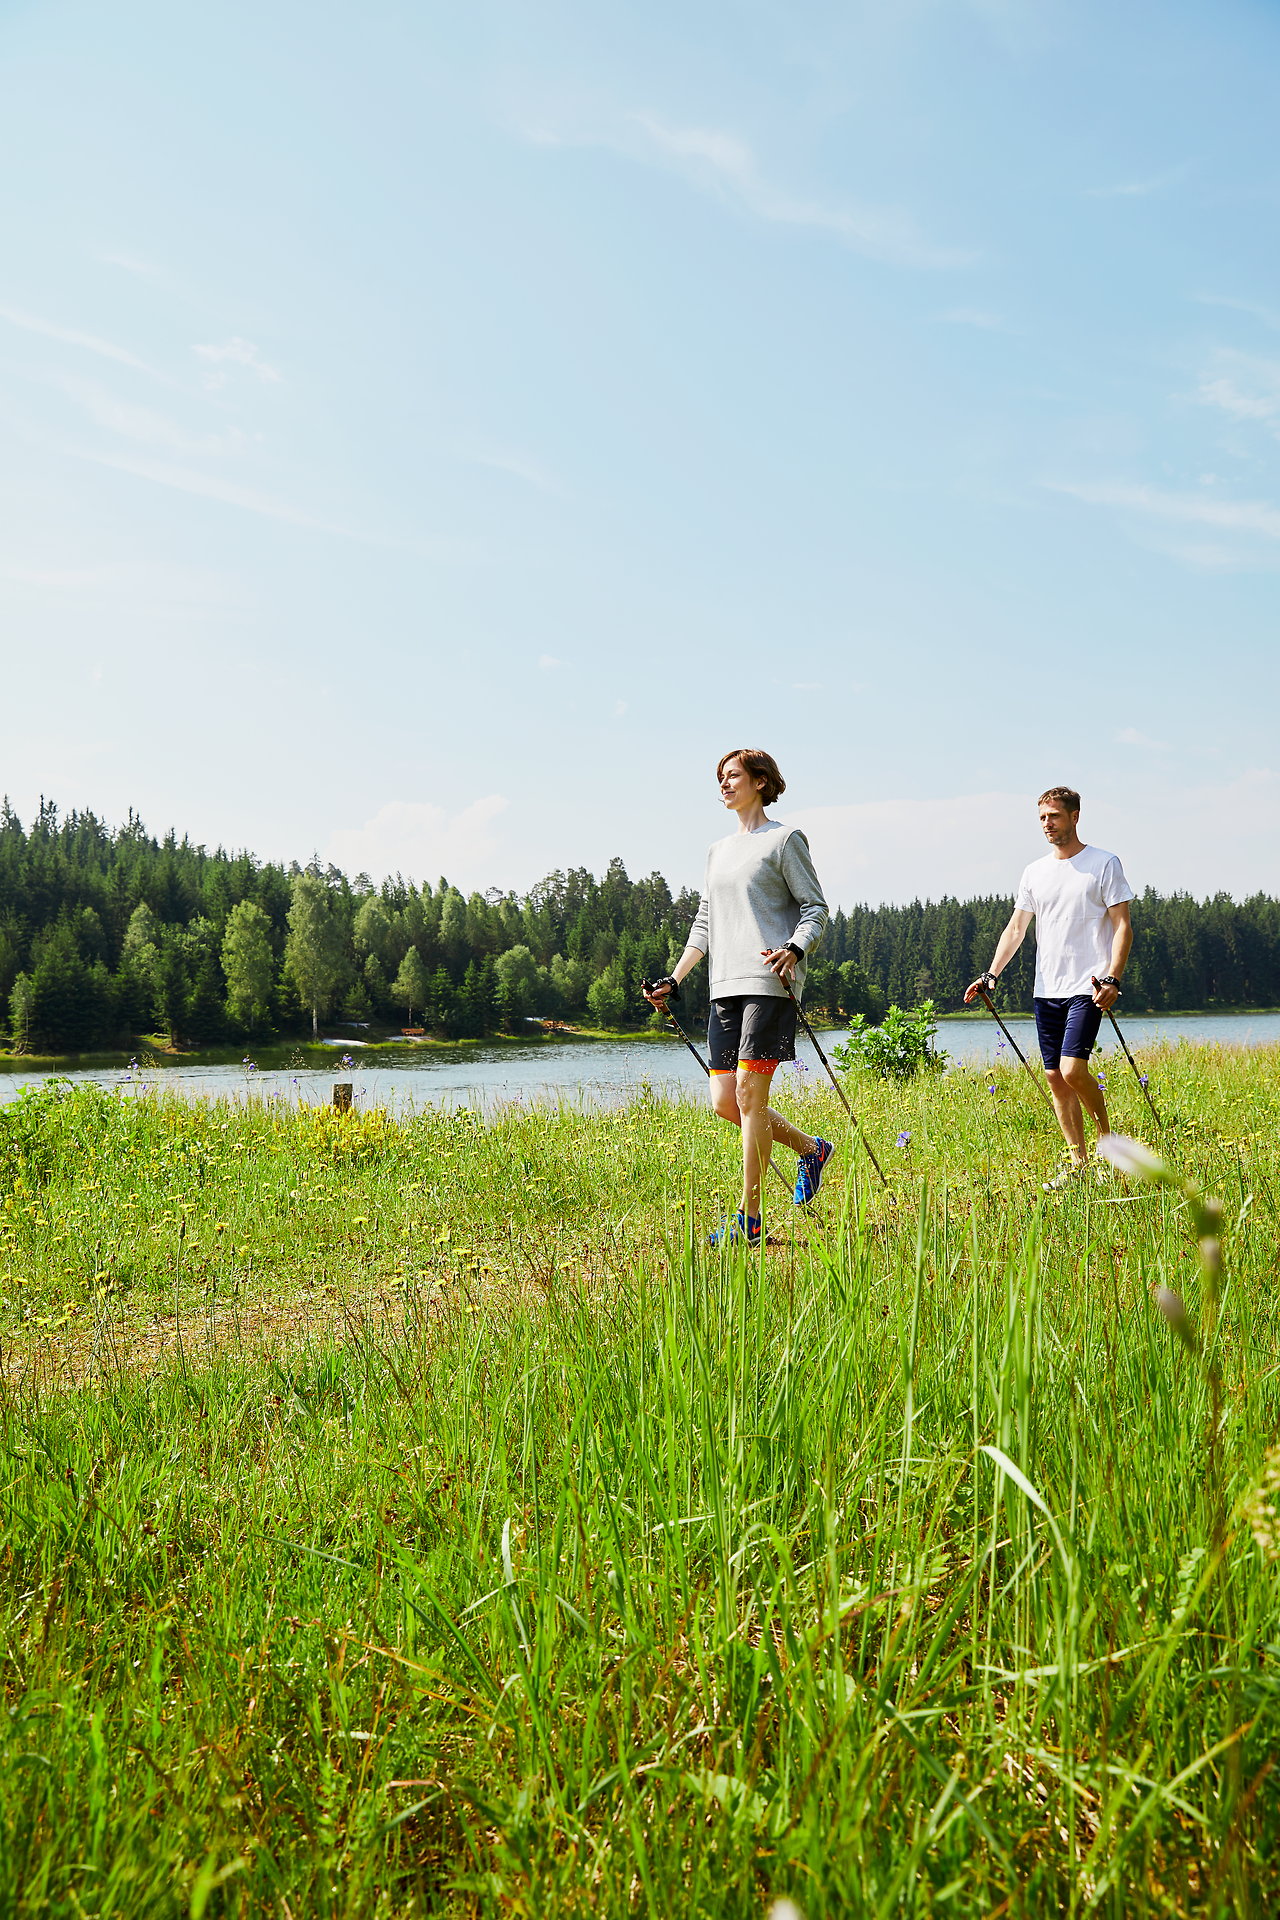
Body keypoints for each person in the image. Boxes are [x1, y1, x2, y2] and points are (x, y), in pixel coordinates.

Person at [643, 748, 833, 1247]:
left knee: (751, 1098)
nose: (724, 785)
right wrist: (676, 979)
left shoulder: (785, 839)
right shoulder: (717, 850)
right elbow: (704, 923)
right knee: (726, 1101)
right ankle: (811, 1150)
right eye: (720, 778)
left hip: (769, 981)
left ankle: (749, 1221)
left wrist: (795, 947)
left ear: (761, 781)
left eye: (733, 777)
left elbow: (816, 908)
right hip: (722, 987)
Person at [964, 786, 1134, 1190]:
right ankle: (1078, 1165)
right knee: (1056, 1077)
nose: (1047, 824)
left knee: (1074, 1070)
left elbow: (1122, 925)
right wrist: (991, 974)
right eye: (1042, 817)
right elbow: (1016, 928)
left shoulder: (1104, 863)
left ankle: (1106, 1144)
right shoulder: (1034, 872)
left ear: (1075, 817)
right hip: (1047, 989)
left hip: (1088, 984)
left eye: (1054, 816)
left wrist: (1113, 976)